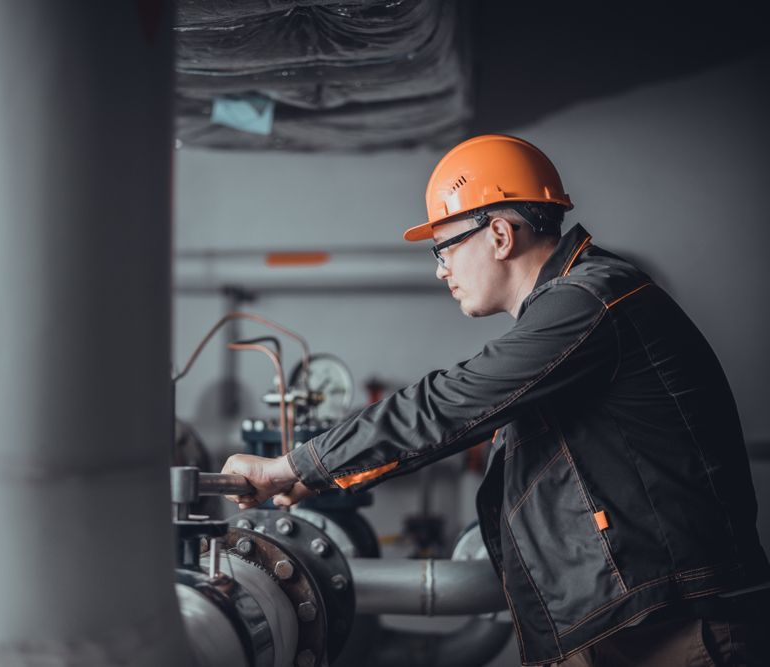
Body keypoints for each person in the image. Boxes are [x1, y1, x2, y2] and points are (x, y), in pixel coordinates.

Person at [222, 135, 770, 666]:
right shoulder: (577, 306)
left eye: (445, 247)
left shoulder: (587, 300)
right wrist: (316, 474)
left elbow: (444, 406)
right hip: (634, 624)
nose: (441, 270)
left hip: (670, 632)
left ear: (501, 235)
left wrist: (293, 465)